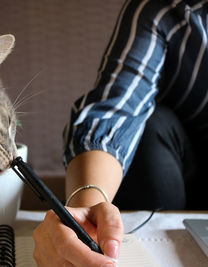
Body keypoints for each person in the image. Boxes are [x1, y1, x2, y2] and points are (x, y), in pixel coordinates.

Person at [33, 0, 208, 265]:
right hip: (178, 181)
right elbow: (114, 113)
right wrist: (86, 214)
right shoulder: (166, 10)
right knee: (150, 128)